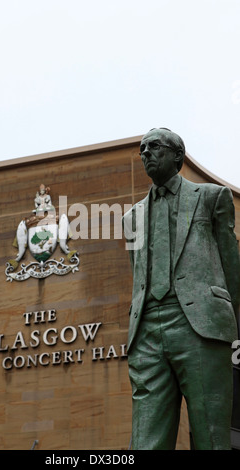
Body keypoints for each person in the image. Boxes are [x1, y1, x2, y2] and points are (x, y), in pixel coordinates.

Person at [122, 127, 240, 450]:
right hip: (147, 332)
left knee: (211, 437)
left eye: (154, 147)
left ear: (178, 156)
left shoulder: (211, 198)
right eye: (142, 149)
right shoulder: (131, 219)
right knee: (145, 442)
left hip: (199, 326)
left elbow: (232, 267)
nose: (146, 153)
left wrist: (236, 327)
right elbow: (139, 274)